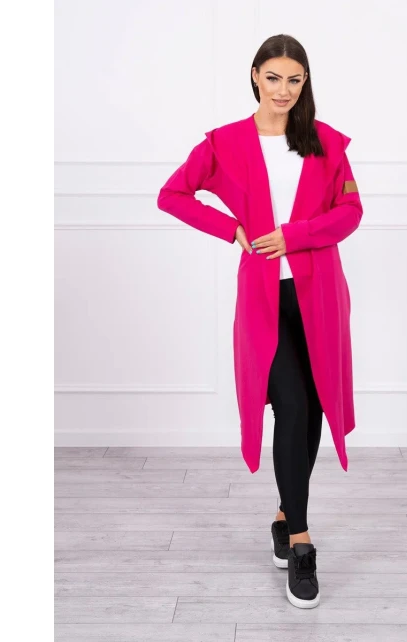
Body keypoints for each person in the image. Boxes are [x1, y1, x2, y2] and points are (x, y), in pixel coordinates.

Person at [157, 34, 363, 610]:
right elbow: (172, 195)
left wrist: (293, 235)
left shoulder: (324, 142)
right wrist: (232, 229)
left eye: (294, 79)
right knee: (290, 405)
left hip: (319, 297)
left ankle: (283, 515)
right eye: (273, 77)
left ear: (305, 82)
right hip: (263, 300)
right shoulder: (224, 142)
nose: (283, 89)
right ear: (254, 76)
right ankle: (300, 543)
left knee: (314, 408)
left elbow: (351, 212)